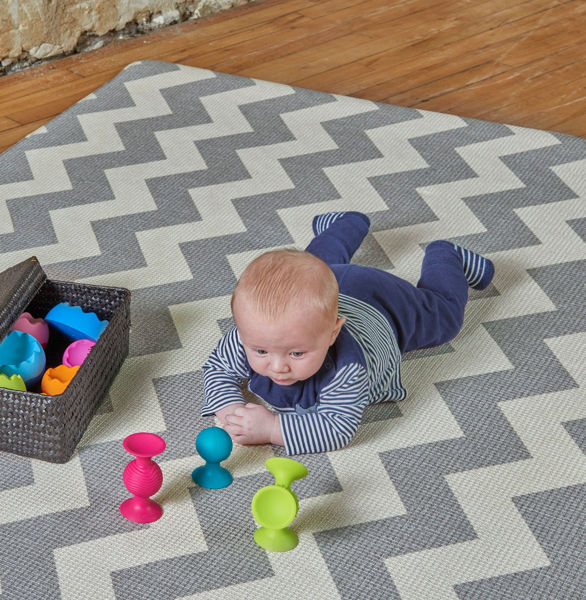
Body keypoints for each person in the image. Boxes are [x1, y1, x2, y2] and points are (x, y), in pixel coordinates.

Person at [201, 212, 494, 454]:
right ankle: (346, 223)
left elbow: (336, 428)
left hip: (386, 304)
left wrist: (272, 428)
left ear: (332, 334)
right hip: (329, 283)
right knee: (312, 267)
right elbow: (217, 368)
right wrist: (229, 408)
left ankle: (446, 256)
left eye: (297, 353)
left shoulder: (347, 368)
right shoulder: (252, 334)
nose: (278, 366)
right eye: (261, 352)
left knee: (443, 320)